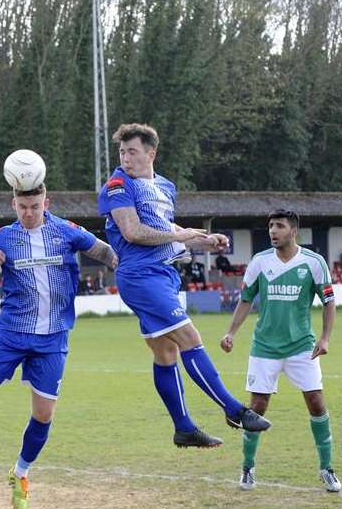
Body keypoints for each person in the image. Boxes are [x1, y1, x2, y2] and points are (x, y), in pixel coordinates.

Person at [0, 156, 117, 509]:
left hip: (53, 338)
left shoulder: (66, 231)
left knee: (44, 414)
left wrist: (128, 262)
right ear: (13, 205)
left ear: (46, 203)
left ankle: (21, 473)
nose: (29, 212)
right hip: (11, 334)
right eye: (22, 207)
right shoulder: (3, 237)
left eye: (35, 206)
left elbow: (105, 253)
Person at [97, 123, 270, 449]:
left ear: (152, 153)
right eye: (122, 151)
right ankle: (234, 409)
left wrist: (204, 240)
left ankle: (184, 428)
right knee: (190, 337)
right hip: (139, 276)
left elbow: (165, 228)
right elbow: (133, 232)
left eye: (131, 151)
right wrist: (182, 235)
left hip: (162, 274)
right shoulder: (118, 185)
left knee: (165, 352)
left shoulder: (165, 186)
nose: (125, 158)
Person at [221, 209, 340, 492]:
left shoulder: (313, 262)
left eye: (279, 226)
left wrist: (324, 338)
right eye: (271, 226)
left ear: (293, 230)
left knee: (316, 403)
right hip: (264, 347)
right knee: (257, 407)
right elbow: (246, 299)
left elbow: (329, 301)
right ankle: (248, 468)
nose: (273, 231)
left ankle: (327, 468)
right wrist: (231, 332)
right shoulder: (260, 261)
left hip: (302, 347)